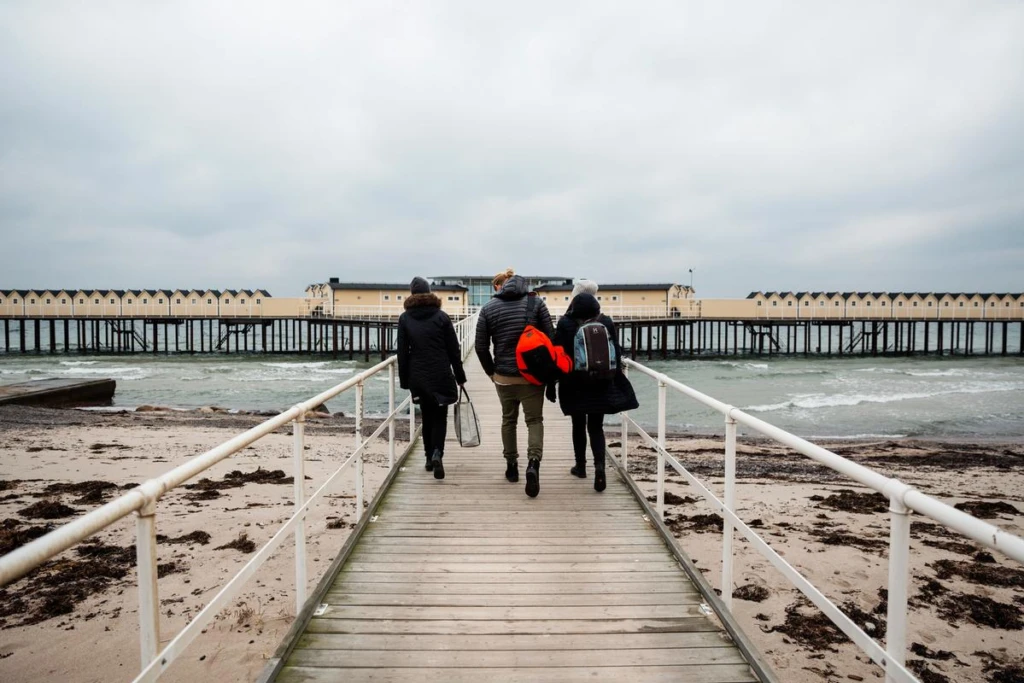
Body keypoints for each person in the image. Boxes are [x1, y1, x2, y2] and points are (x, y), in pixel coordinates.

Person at [475, 268, 554, 497]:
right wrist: (549, 376)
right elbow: (551, 338)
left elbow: (481, 347)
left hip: (504, 376)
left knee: (508, 420)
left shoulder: (489, 308)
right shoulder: (536, 304)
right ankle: (533, 464)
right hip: (532, 376)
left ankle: (511, 467)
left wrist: (491, 372)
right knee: (535, 420)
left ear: (501, 286)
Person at [550, 287, 638, 492]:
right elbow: (616, 350)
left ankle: (580, 467)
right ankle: (600, 468)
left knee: (578, 424)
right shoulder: (605, 322)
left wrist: (552, 383)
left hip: (574, 382)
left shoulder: (565, 323)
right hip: (601, 381)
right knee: (596, 427)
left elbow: (557, 353)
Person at [397, 276, 467, 480]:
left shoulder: (405, 319)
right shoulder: (442, 317)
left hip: (418, 376)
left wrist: (404, 381)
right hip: (441, 373)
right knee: (440, 416)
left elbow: (402, 352)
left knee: (426, 417)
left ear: (412, 294)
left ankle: (428, 458)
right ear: (429, 293)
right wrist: (460, 376)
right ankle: (438, 453)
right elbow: (454, 350)